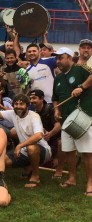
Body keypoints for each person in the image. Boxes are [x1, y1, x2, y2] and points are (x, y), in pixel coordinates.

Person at [0, 82, 52, 188]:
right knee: (3, 161)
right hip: (24, 151)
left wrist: (19, 145)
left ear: (27, 106)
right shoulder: (13, 113)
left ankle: (35, 176)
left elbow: (38, 136)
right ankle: (28, 166)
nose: (18, 107)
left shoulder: (34, 116)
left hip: (42, 151)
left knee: (31, 148)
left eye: (21, 104)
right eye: (16, 104)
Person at [52, 47, 92, 196]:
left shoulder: (80, 70)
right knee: (69, 150)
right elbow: (55, 98)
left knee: (88, 152)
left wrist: (82, 87)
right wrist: (56, 110)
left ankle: (90, 183)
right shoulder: (58, 78)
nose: (58, 61)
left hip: (83, 116)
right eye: (56, 59)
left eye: (60, 58)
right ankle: (72, 178)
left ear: (69, 58)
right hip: (65, 119)